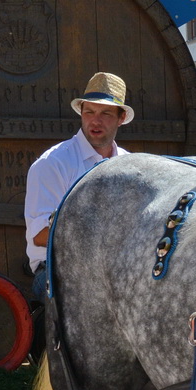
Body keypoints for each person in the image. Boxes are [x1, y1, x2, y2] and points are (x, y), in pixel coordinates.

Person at [24, 71, 135, 299]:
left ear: (121, 118)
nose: (95, 120)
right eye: (89, 112)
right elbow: (40, 234)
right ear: (81, 113)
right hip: (56, 271)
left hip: (116, 272)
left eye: (105, 113)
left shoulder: (131, 165)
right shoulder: (53, 163)